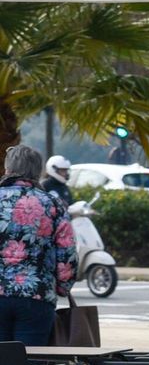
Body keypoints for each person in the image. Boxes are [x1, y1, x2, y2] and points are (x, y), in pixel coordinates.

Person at [0, 143, 76, 346]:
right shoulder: (52, 203)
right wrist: (63, 287)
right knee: (29, 363)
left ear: (8, 169)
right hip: (37, 296)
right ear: (37, 171)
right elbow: (67, 253)